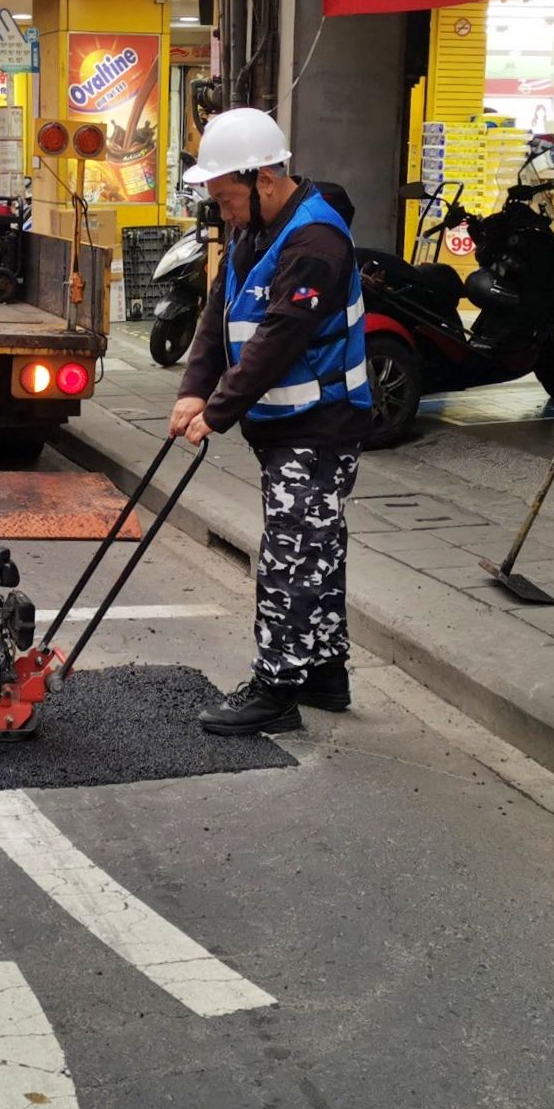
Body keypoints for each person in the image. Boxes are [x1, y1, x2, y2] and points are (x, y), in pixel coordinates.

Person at [169, 107, 372, 736]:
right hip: (285, 426)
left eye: (227, 198)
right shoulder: (254, 232)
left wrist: (220, 410)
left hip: (321, 426)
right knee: (318, 553)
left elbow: (282, 335)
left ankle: (276, 689)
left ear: (262, 179)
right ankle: (324, 673)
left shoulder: (316, 240)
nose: (223, 213)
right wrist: (191, 390)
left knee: (290, 557)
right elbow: (218, 314)